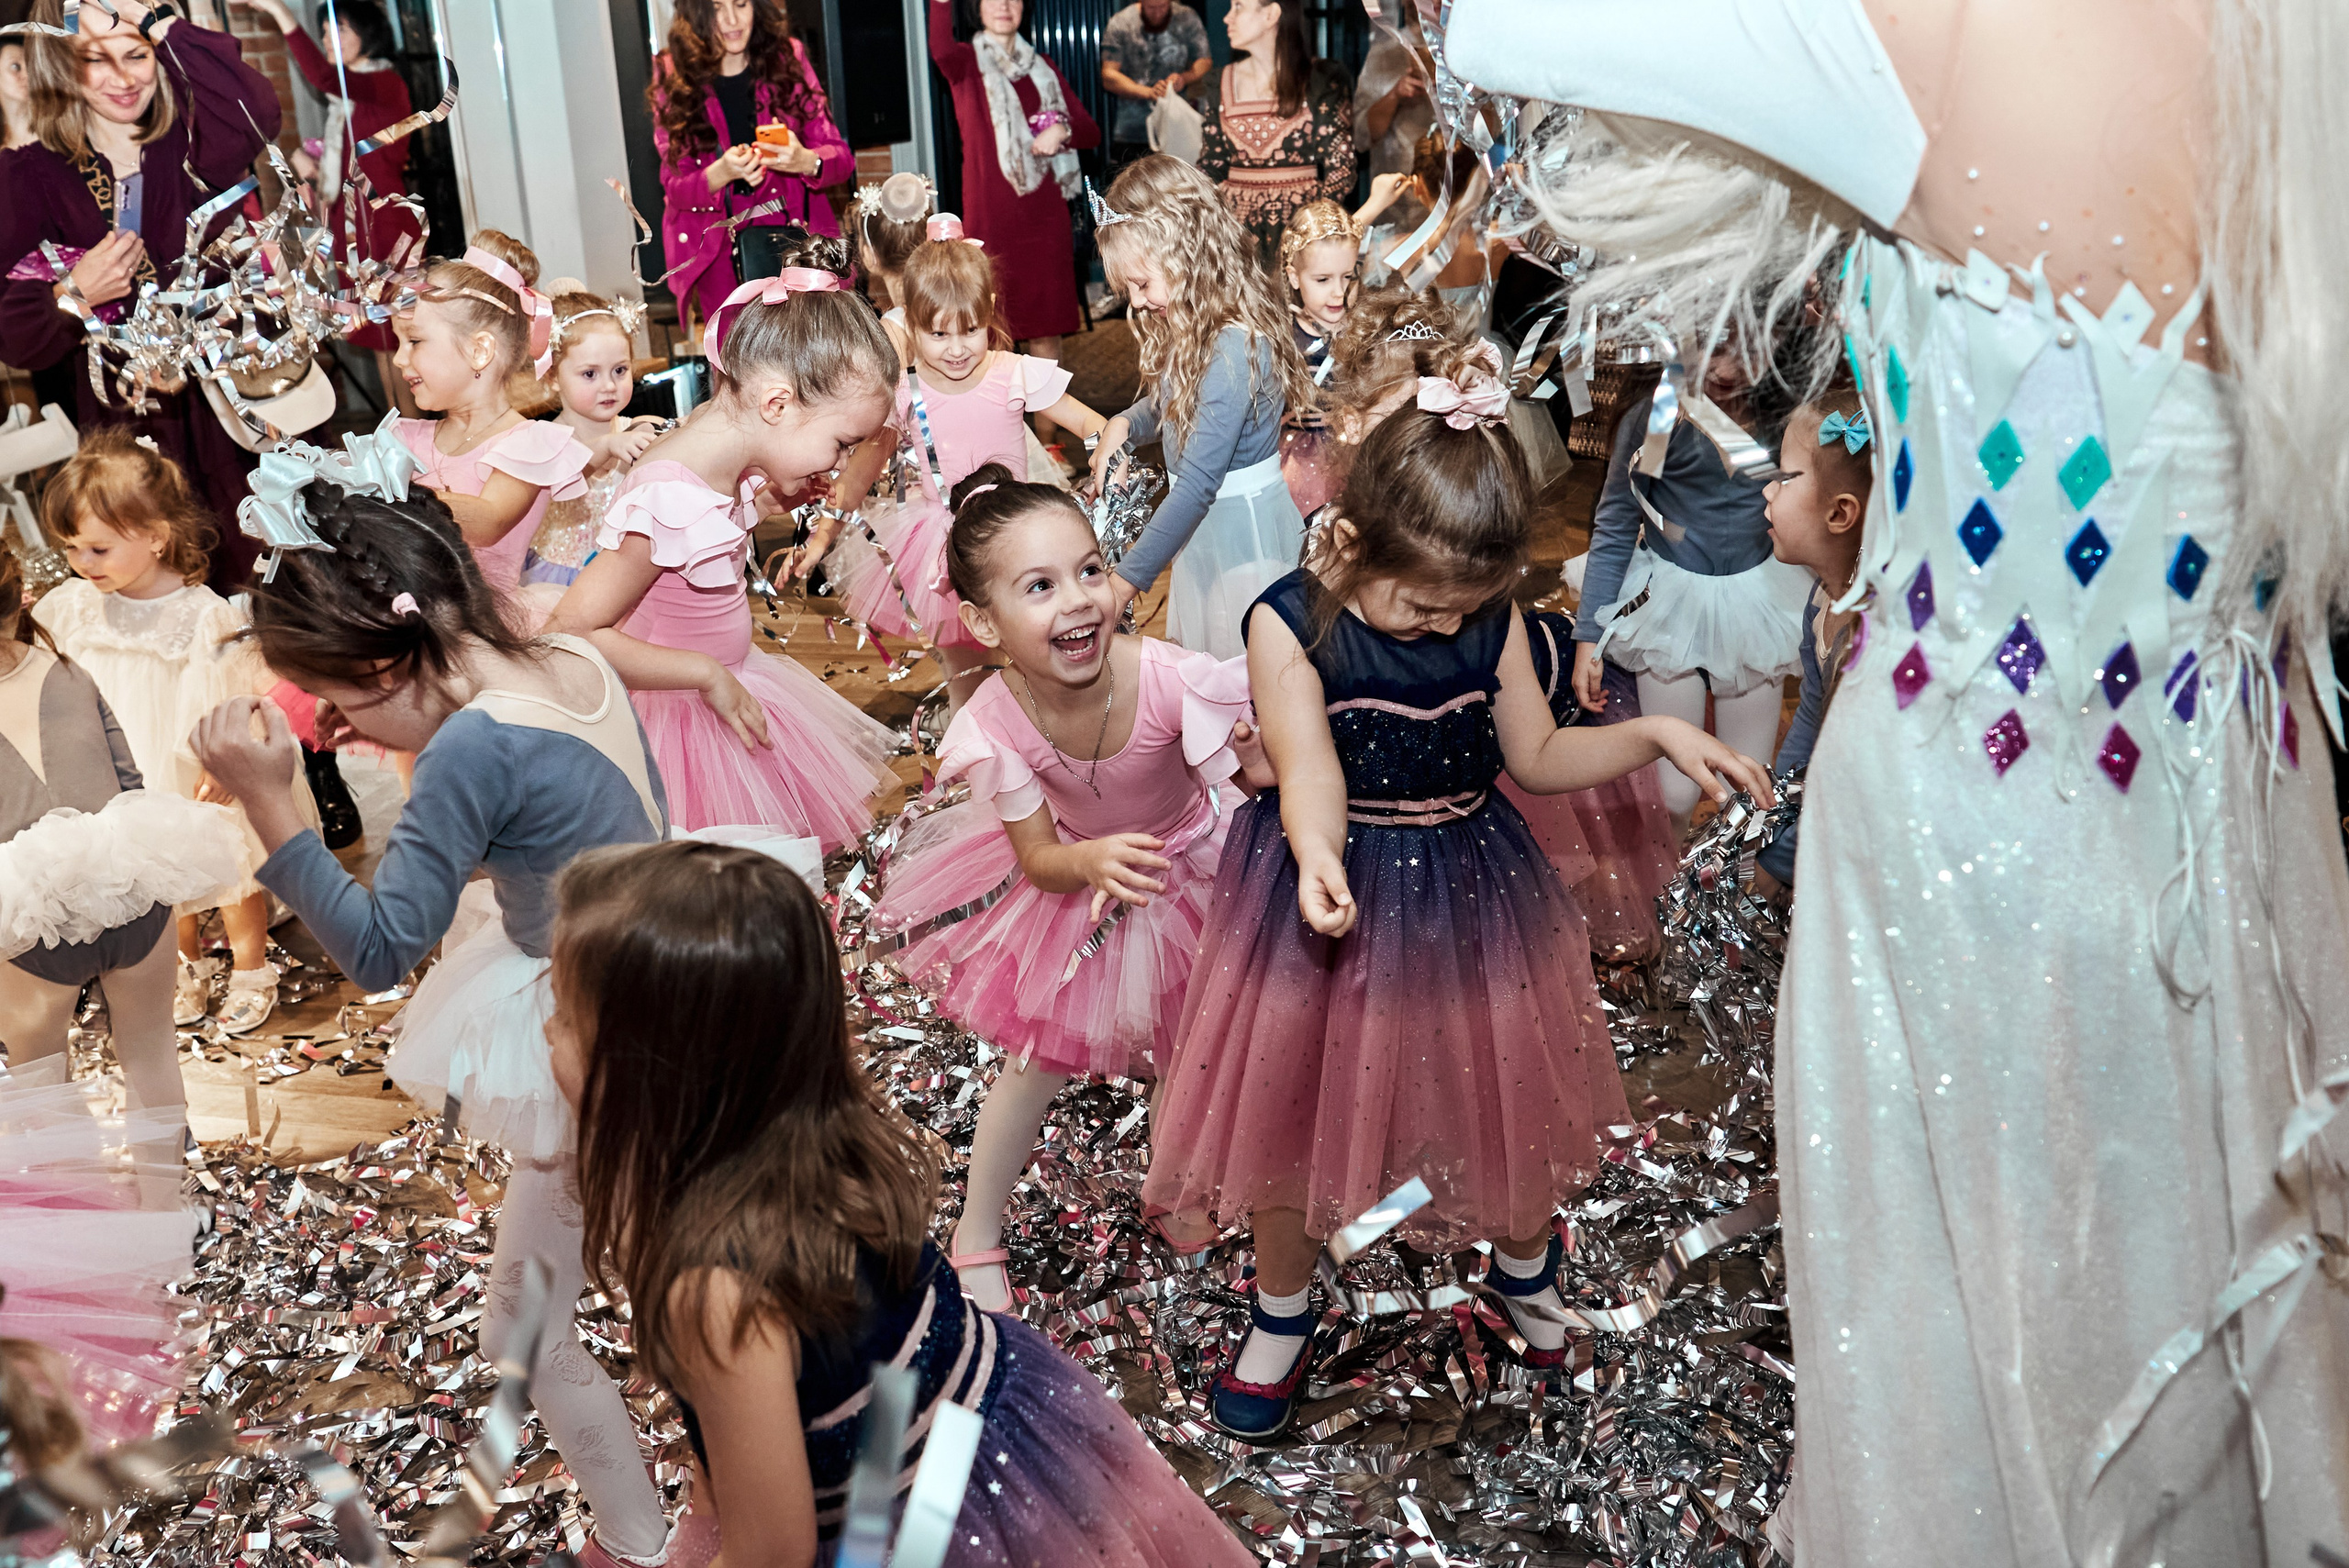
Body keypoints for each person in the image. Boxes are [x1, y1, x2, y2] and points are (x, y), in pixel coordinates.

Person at [1453, 0, 2349, 1558]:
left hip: (1972, 856)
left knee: (1977, 1402)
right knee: (2191, 1362)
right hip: (2237, 823)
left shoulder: (1939, 29)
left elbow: (1509, 23)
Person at [1141, 360, 1772, 1442]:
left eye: (1462, 605)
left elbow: (1537, 754)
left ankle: (1526, 1265)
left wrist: (1655, 729)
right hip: (1322, 882)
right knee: (1290, 1112)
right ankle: (1284, 1310)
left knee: (1497, 1094)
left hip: (1470, 888)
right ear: (1351, 540)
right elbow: (1307, 765)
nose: (1439, 623)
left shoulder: (1491, 618)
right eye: (1418, 601)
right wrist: (1316, 855)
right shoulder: (1288, 622)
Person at [188, 463, 675, 1568]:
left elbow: (373, 949)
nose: (352, 734)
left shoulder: (470, 744)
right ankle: (650, 1526)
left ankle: (639, 1545)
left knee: (527, 1339)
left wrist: (275, 801)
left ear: (384, 660)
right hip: (669, 980)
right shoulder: (571, 654)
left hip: (600, 1035)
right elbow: (584, 829)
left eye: (352, 710)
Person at [544, 836, 1259, 1567]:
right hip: (991, 1440)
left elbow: (772, 1552)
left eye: (565, 1014)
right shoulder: (821, 1143)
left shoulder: (716, 1288)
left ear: (651, 1071)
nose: (545, 1032)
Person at [869, 466, 1263, 1310]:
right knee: (1033, 1061)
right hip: (1083, 883)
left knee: (1189, 1044)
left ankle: (1176, 1183)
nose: (1079, 600)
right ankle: (976, 1233)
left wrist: (1260, 768)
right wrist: (1088, 864)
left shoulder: (1170, 678)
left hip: (1199, 872)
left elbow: (1236, 789)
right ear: (983, 622)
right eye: (1039, 587)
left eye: (1089, 570)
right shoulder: (996, 724)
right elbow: (1039, 857)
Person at [1318, 302, 1677, 960]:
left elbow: (1534, 754)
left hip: (1471, 760)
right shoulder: (1317, 572)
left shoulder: (1475, 598)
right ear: (1349, 426)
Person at [545, 272, 898, 849]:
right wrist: (704, 674)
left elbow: (703, 538)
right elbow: (571, 631)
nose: (839, 465)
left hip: (729, 692)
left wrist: (762, 499)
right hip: (679, 722)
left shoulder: (717, 456)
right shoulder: (668, 491)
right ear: (777, 403)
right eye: (841, 444)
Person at [32, 430, 314, 1038]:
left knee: (227, 865)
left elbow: (238, 692)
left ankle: (250, 968)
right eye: (72, 549)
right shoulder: (74, 604)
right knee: (154, 874)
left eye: (99, 549)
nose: (84, 564)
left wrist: (226, 762)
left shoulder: (199, 612)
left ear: (155, 536)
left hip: (189, 758)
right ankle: (183, 964)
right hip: (125, 764)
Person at [0, 0, 282, 588]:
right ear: (58, 66)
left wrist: (153, 16)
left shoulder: (197, 144)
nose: (123, 79)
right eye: (94, 60)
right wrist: (73, 293)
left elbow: (257, 111)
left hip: (243, 406)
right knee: (164, 594)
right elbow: (16, 336)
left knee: (274, 582)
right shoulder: (31, 178)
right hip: (131, 428)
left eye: (138, 54)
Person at [0, 546, 242, 1160]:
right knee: (154, 1053)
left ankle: (90, 1237)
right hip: (130, 888)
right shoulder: (68, 669)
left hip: (27, 917)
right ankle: (163, 1212)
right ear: (18, 594)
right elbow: (129, 781)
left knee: (43, 1092)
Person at [822, 233, 1108, 709]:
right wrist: (820, 535)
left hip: (1021, 538)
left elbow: (1090, 423)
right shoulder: (903, 391)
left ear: (990, 310)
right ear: (910, 322)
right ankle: (975, 769)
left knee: (1036, 663)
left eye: (970, 330)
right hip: (943, 549)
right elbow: (860, 472)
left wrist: (1103, 465)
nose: (956, 349)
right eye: (938, 334)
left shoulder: (1012, 371)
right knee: (965, 679)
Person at [1569, 345, 1809, 828]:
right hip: (1666, 606)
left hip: (1758, 607)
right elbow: (1616, 522)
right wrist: (1588, 638)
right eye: (1713, 346)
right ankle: (1667, 891)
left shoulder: (1784, 418)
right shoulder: (1658, 417)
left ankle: (1731, 891)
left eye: (1743, 347)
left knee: (1747, 789)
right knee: (1674, 795)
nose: (1726, 368)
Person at [1087, 155, 1314, 660]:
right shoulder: (1196, 324)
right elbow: (1169, 401)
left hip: (1241, 539)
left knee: (1244, 679)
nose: (1140, 302)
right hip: (1210, 532)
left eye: (1143, 284)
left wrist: (1123, 584)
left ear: (1184, 250)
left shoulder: (1234, 344)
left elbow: (1195, 485)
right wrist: (1123, 423)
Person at [392, 231, 595, 605]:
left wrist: (386, 489)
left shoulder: (528, 445)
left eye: (415, 341)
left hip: (480, 624)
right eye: (399, 343)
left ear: (479, 350)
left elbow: (488, 522)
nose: (398, 359)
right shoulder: (403, 437)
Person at [242, 0, 422, 418]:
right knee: (382, 343)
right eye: (323, 30)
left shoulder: (384, 83)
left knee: (398, 340)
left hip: (384, 223)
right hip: (357, 223)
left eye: (337, 29)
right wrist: (310, 166)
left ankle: (415, 444)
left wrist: (278, 12)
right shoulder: (349, 101)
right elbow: (347, 170)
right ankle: (402, 442)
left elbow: (325, 76)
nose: (327, 39)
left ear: (368, 34)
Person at [648, 0, 851, 339]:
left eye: (741, 4)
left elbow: (841, 159)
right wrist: (721, 173)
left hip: (796, 249)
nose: (730, 20)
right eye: (716, 8)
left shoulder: (786, 56)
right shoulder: (673, 71)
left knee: (813, 367)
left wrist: (805, 161)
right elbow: (674, 186)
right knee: (737, 368)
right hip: (721, 259)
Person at [926, 0, 1099, 358]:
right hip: (991, 218)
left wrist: (1061, 131)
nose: (1004, 5)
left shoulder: (1042, 66)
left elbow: (1089, 131)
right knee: (992, 331)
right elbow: (939, 45)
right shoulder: (964, 62)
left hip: (1046, 215)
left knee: (1047, 330)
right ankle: (1005, 417)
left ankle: (1049, 416)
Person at [1752, 386, 1870, 897]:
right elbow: (1807, 727)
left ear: (1840, 514)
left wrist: (1782, 861)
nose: (1767, 492)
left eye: (1784, 479)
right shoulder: (1823, 599)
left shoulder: (1867, 638)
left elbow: (1845, 780)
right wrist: (1770, 830)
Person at [522, 287, 666, 596]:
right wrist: (606, 447)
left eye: (620, 370)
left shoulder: (635, 429)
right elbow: (559, 480)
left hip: (626, 577)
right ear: (551, 378)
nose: (609, 386)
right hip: (561, 580)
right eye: (590, 374)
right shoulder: (542, 439)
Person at [1195, 0, 1355, 270]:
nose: (1227, 18)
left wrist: (1312, 233)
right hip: (1237, 239)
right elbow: (1211, 166)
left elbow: (1342, 169)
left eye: (1238, 7)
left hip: (1303, 234)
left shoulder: (1322, 79)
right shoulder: (1218, 82)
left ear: (1270, 14)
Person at [1274, 198, 1364, 518]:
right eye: (1323, 280)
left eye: (1347, 277)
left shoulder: (1363, 329)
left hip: (1355, 454)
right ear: (1295, 277)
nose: (1338, 292)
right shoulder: (1282, 336)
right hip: (1300, 459)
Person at [1097, 0, 1210, 177]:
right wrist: (1148, 92)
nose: (1157, 13)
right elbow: (1108, 76)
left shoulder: (1186, 17)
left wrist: (1184, 78)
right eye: (1151, 8)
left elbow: (1204, 60)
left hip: (1177, 128)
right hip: (1132, 131)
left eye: (1163, 7)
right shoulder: (1121, 22)